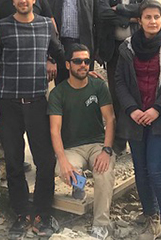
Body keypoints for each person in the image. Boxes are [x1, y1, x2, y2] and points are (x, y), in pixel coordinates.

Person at [0, 0, 64, 237]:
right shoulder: (1, 27)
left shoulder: (44, 25)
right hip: (8, 104)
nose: (22, 0)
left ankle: (42, 212)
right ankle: (20, 213)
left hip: (37, 103)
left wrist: (79, 69)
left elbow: (60, 52)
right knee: (14, 161)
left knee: (45, 160)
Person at [115, 0, 161, 240]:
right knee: (141, 171)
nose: (153, 21)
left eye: (157, 17)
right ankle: (150, 218)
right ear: (140, 20)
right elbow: (120, 82)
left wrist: (157, 109)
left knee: (157, 170)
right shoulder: (127, 47)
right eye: (148, 17)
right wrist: (132, 109)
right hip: (136, 118)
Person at [0, 0, 48, 179]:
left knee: (41, 149)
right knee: (10, 146)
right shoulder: (0, 3)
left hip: (35, 87)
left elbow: (54, 38)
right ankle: (5, 165)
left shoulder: (41, 2)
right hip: (8, 82)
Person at [48, 44, 116, 240]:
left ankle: (101, 223)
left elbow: (110, 119)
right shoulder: (58, 93)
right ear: (68, 64)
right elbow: (55, 130)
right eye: (78, 61)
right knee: (63, 170)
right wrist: (62, 160)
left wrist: (107, 150)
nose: (83, 65)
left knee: (104, 172)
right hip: (72, 149)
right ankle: (80, 185)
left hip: (96, 144)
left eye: (86, 61)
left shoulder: (98, 86)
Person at [98, 0, 154, 153]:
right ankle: (119, 141)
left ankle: (141, 139)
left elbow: (148, 8)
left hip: (140, 50)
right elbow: (103, 13)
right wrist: (132, 16)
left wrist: (119, 9)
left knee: (141, 94)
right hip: (115, 51)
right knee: (117, 95)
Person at [42, 0, 99, 83]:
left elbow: (98, 16)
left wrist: (97, 51)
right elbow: (45, 23)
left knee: (84, 86)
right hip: (60, 46)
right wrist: (50, 56)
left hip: (84, 44)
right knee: (62, 86)